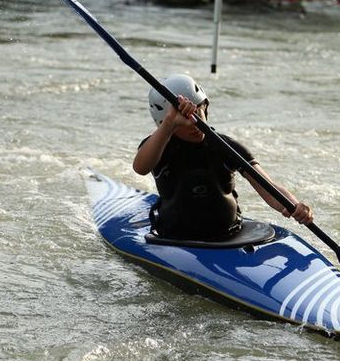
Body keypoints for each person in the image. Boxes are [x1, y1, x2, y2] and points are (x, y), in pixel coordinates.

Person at [133, 74, 314, 241]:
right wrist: (170, 124)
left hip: (229, 236)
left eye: (198, 112)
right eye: (185, 118)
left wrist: (294, 205)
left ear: (206, 108)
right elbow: (140, 168)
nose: (194, 123)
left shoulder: (225, 147)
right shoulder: (158, 147)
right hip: (174, 237)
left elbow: (269, 187)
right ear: (164, 122)